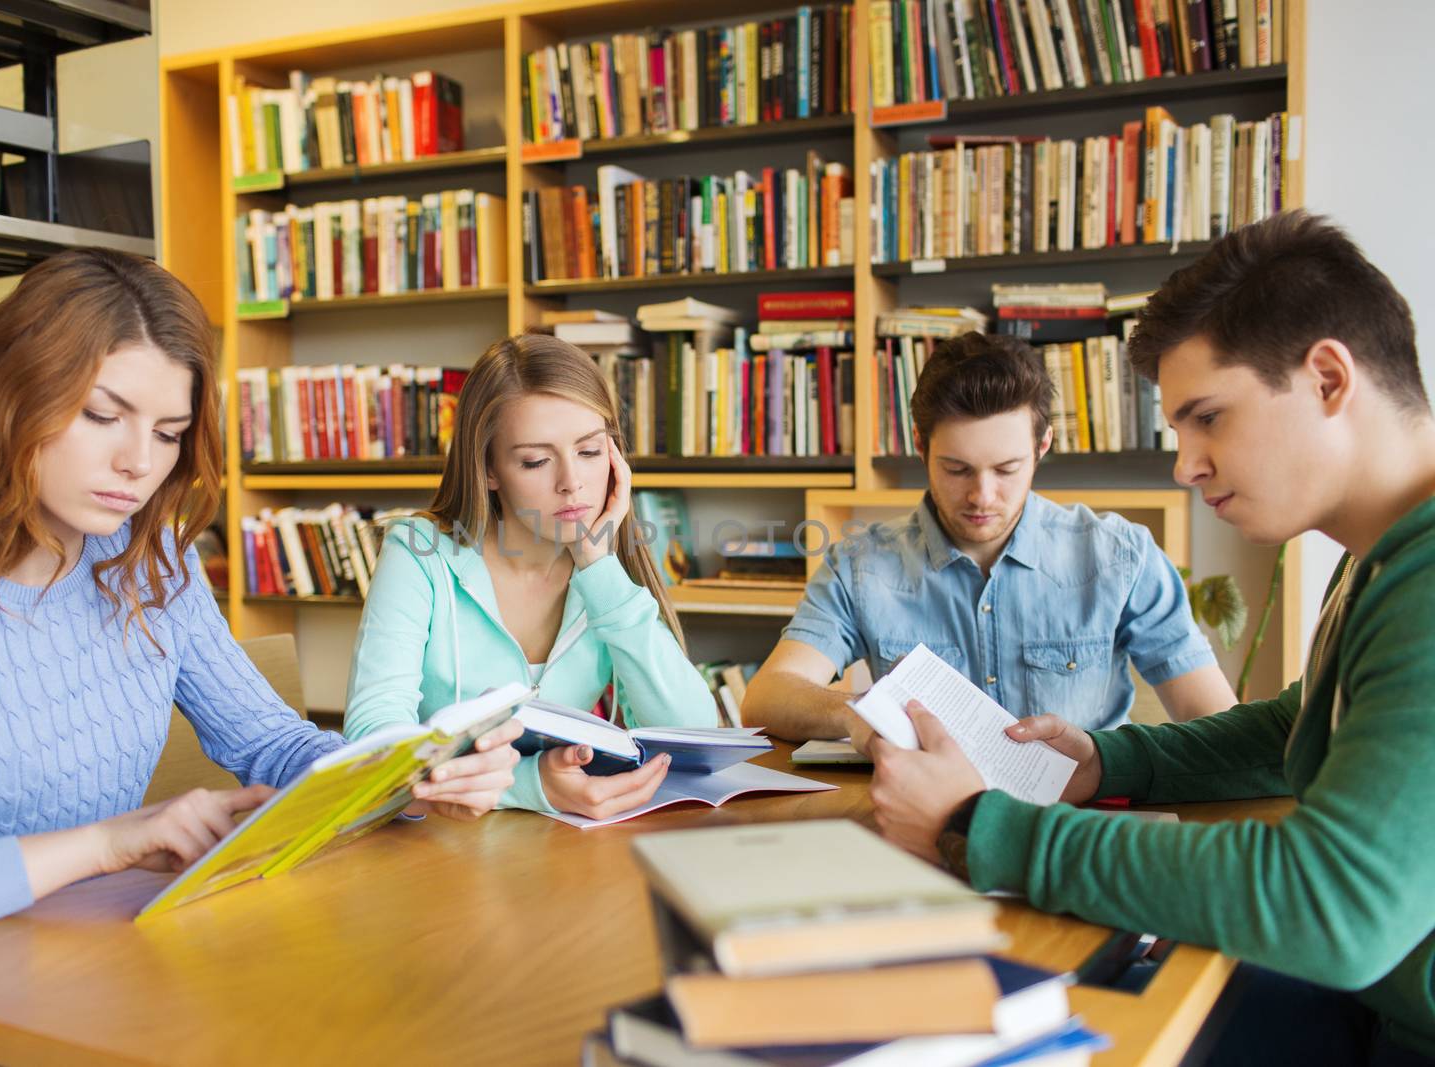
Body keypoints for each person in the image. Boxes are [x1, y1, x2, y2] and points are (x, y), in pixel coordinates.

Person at [0, 249, 522, 961]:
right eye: (103, 415)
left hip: (113, 968)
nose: (139, 461)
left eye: (168, 434)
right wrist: (103, 845)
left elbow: (275, 746)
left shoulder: (153, 563)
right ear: (6, 394)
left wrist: (411, 778)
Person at [866, 212, 1435, 1065]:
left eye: (1208, 418)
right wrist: (1107, 762)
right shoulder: (1383, 557)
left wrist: (976, 821)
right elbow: (1301, 722)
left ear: (1326, 378)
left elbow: (1333, 906)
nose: (1185, 463)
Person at [741, 331, 1234, 742]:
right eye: (957, 469)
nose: (982, 495)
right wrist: (859, 712)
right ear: (920, 445)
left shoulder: (1119, 557)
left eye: (1006, 469)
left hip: (1080, 826)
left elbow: (1214, 722)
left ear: (1042, 446)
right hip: (921, 827)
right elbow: (767, 696)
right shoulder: (861, 566)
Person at [344, 332, 719, 821]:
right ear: (489, 469)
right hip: (432, 850)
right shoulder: (419, 553)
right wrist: (528, 784)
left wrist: (598, 567)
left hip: (563, 852)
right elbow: (375, 743)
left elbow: (691, 736)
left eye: (589, 452)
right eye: (536, 461)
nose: (572, 482)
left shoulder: (607, 563)